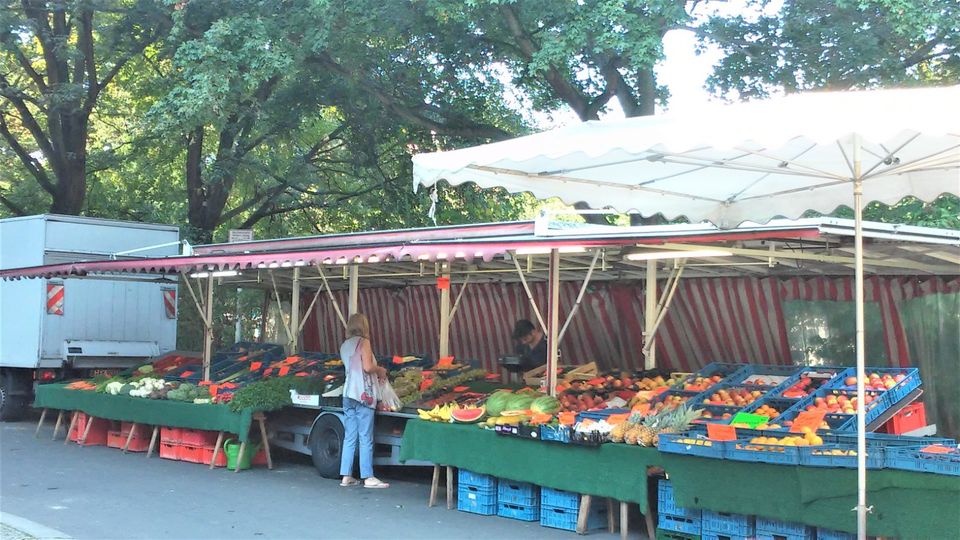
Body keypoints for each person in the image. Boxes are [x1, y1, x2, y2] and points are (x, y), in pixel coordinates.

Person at [339, 313, 389, 489]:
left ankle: (346, 475)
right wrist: (380, 369)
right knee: (366, 437)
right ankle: (368, 477)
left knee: (350, 436)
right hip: (363, 394)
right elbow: (367, 367)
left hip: (347, 394)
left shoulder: (345, 345)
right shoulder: (364, 342)